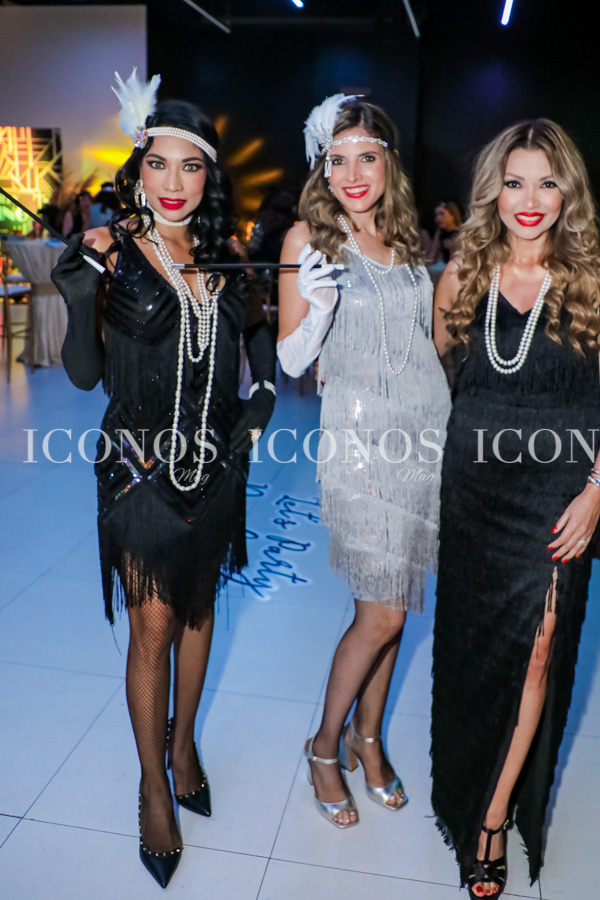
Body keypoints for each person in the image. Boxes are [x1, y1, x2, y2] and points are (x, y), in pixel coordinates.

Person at [50, 70, 276, 888]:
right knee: (152, 624)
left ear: (209, 176)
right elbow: (84, 375)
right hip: (136, 469)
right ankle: (153, 787)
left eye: (191, 166)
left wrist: (263, 402)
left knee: (199, 609)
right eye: (159, 163)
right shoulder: (111, 249)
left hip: (215, 467)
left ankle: (183, 746)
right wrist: (78, 293)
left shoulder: (225, 256)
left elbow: (259, 344)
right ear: (138, 167)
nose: (174, 182)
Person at [430, 119, 600, 897]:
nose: (529, 198)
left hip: (560, 492)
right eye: (514, 182)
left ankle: (491, 820)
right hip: (474, 490)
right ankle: (470, 773)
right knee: (476, 646)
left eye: (546, 183)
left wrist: (596, 490)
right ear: (494, 190)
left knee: (541, 645)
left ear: (567, 192)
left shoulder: (598, 273)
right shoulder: (465, 271)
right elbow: (446, 374)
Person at [277, 94, 450, 828]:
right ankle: (325, 745)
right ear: (322, 167)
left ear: (389, 163)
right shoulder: (308, 239)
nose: (352, 174)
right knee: (380, 614)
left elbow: (429, 346)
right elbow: (291, 360)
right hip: (358, 446)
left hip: (424, 440)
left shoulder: (407, 239)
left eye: (366, 158)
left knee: (398, 604)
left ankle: (368, 738)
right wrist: (317, 308)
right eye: (337, 159)